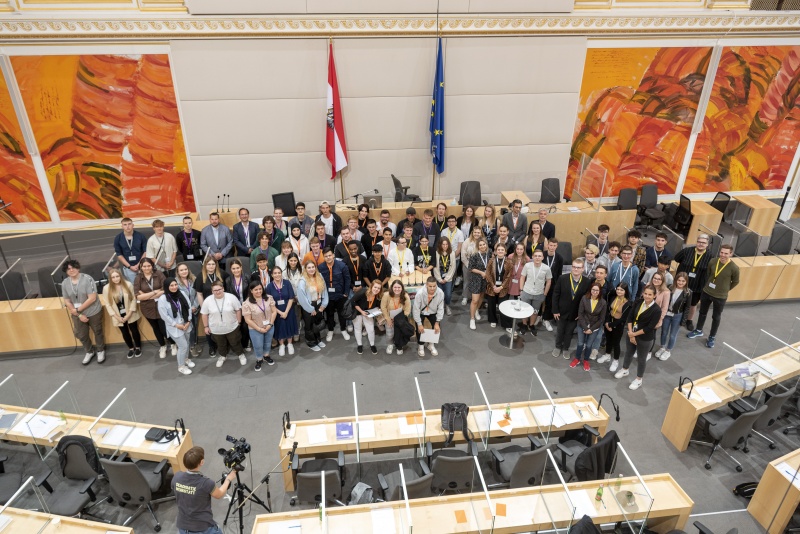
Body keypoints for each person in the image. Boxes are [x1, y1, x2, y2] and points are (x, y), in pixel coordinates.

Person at [173, 446, 237, 534]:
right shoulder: (206, 483)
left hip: (183, 527)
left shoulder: (177, 476)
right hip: (203, 528)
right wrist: (228, 479)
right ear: (202, 462)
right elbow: (219, 494)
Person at [687, 244, 739, 348]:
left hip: (720, 296)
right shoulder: (713, 261)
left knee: (716, 317)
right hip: (707, 292)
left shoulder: (734, 268)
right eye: (721, 252)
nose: (723, 255)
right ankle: (698, 330)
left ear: (731, 254)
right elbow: (708, 274)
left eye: (726, 253)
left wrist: (725, 289)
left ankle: (712, 336)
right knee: (702, 312)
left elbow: (735, 281)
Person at [615, 285, 661, 390]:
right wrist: (630, 332)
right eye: (645, 293)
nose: (647, 296)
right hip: (631, 333)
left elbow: (649, 328)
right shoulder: (638, 302)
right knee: (629, 353)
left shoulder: (657, 310)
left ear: (654, 296)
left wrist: (633, 335)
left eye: (650, 294)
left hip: (645, 338)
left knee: (641, 359)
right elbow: (630, 317)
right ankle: (625, 369)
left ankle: (639, 379)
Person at [61, 260, 106, 365]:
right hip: (77, 313)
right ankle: (89, 351)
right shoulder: (65, 283)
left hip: (93, 311)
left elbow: (92, 298)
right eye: (68, 269)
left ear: (78, 268)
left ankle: (100, 350)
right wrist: (78, 314)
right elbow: (67, 300)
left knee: (97, 331)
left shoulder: (87, 279)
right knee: (81, 334)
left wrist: (78, 310)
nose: (71, 270)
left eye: (73, 267)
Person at [551, 258, 592, 359]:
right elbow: (555, 295)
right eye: (574, 267)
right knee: (560, 330)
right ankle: (557, 347)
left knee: (569, 332)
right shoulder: (562, 278)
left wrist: (581, 313)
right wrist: (555, 310)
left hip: (576, 313)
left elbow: (586, 300)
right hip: (561, 311)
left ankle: (566, 348)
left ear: (582, 269)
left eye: (578, 267)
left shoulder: (587, 282)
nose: (576, 269)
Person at [135, 258, 174, 359]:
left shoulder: (159, 274)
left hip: (162, 306)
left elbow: (166, 288)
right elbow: (138, 296)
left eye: (149, 266)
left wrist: (146, 295)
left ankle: (173, 344)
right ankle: (162, 346)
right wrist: (155, 292)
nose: (146, 268)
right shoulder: (138, 278)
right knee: (155, 328)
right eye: (144, 266)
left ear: (152, 265)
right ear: (141, 267)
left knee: (164, 327)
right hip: (147, 308)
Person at [200, 280, 245, 368]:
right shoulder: (208, 300)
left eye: (219, 289)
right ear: (212, 291)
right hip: (216, 329)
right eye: (215, 290)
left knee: (235, 342)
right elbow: (204, 314)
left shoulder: (231, 297)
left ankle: (240, 354)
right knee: (220, 344)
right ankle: (223, 356)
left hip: (232, 327)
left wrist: (239, 322)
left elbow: (238, 310)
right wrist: (206, 326)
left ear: (223, 288)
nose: (217, 292)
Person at [673, 233, 713, 331]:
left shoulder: (710, 256)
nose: (701, 244)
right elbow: (676, 258)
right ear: (696, 242)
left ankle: (689, 320)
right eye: (699, 242)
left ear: (707, 244)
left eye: (703, 243)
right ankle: (673, 316)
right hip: (681, 283)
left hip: (697, 285)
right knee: (676, 300)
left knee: (693, 304)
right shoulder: (686, 251)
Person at [157, 278, 196, 376]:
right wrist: (176, 325)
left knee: (187, 343)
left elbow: (188, 307)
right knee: (183, 346)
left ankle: (186, 359)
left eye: (175, 285)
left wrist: (189, 321)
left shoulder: (181, 293)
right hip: (174, 327)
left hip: (186, 324)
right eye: (171, 285)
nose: (174, 287)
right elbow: (164, 316)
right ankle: (181, 366)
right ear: (167, 287)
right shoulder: (162, 299)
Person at [194, 256, 229, 357]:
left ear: (216, 265)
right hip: (209, 307)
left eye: (213, 264)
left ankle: (224, 344)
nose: (211, 266)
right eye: (209, 264)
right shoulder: (200, 276)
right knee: (209, 327)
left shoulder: (222, 273)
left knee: (223, 324)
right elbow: (199, 294)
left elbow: (228, 288)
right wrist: (203, 308)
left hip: (222, 305)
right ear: (205, 265)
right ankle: (211, 346)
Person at [103, 268, 141, 359]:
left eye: (117, 276)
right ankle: (131, 348)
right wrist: (116, 317)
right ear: (110, 278)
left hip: (130, 313)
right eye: (113, 277)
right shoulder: (106, 288)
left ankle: (138, 347)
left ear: (120, 276)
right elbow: (107, 304)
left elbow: (133, 300)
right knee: (125, 332)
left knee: (134, 330)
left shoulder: (128, 284)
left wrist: (129, 314)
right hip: (117, 315)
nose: (116, 279)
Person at [571, 283, 607, 371]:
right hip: (582, 325)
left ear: (600, 291)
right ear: (590, 290)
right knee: (580, 343)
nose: (595, 292)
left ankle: (586, 360)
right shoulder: (584, 298)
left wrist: (591, 329)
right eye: (593, 290)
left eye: (597, 290)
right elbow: (580, 314)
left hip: (594, 327)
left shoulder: (603, 302)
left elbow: (601, 319)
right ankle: (577, 358)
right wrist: (585, 328)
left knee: (589, 345)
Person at [242, 280, 277, 371]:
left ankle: (266, 356)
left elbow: (274, 312)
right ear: (251, 291)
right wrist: (259, 329)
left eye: (260, 289)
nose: (258, 291)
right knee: (258, 345)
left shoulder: (269, 298)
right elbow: (247, 320)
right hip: (255, 329)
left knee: (268, 343)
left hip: (269, 326)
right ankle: (259, 359)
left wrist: (270, 324)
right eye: (256, 290)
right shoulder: (246, 303)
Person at [597, 282, 632, 373]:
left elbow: (623, 319)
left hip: (618, 325)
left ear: (625, 291)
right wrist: (607, 322)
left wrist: (611, 325)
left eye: (621, 290)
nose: (619, 291)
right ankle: (607, 355)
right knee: (608, 340)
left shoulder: (628, 303)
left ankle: (616, 360)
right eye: (618, 289)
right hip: (609, 321)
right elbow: (608, 310)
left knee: (616, 343)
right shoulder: (613, 297)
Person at [656, 272, 691, 362]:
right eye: (679, 280)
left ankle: (668, 350)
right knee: (664, 332)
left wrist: (683, 321)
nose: (680, 282)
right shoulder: (670, 288)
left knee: (672, 335)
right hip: (667, 314)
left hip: (677, 316)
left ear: (686, 282)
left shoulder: (688, 292)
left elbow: (687, 308)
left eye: (683, 281)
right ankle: (662, 347)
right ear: (675, 280)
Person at [319, 248, 351, 341]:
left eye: (330, 255)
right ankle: (330, 330)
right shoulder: (320, 267)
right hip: (327, 295)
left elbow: (347, 279)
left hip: (340, 295)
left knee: (342, 313)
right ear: (323, 257)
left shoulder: (342, 266)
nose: (328, 257)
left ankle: (343, 329)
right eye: (326, 256)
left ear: (333, 255)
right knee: (329, 314)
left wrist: (346, 293)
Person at [266, 266, 299, 355]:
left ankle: (290, 343)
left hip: (288, 309)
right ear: (272, 275)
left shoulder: (287, 283)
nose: (277, 275)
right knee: (280, 327)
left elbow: (291, 298)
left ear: (281, 274)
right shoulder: (269, 286)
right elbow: (270, 302)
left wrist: (286, 312)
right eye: (275, 273)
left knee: (289, 326)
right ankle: (282, 345)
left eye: (279, 273)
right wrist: (280, 312)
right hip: (276, 311)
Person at [296, 260, 328, 351]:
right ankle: (311, 343)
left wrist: (324, 304)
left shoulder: (319, 276)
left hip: (319, 304)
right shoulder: (302, 280)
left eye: (313, 267)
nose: (311, 269)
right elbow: (302, 297)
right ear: (305, 269)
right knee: (309, 325)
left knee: (317, 323)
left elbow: (324, 291)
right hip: (308, 306)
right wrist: (310, 309)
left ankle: (318, 340)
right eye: (309, 268)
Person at [519, 249, 552, 336]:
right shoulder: (527, 265)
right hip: (526, 292)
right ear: (532, 257)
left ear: (543, 257)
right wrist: (521, 290)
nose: (537, 258)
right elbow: (522, 277)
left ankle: (531, 325)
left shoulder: (546, 268)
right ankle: (524, 324)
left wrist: (545, 293)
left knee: (535, 311)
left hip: (539, 294)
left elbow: (549, 281)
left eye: (539, 256)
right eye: (536, 256)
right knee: (524, 310)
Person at [224, 259, 251, 352]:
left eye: (238, 268)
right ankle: (238, 345)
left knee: (246, 326)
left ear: (241, 267)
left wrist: (246, 303)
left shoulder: (247, 277)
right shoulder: (228, 280)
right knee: (237, 327)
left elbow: (251, 292)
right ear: (231, 269)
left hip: (246, 305)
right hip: (235, 308)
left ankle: (246, 343)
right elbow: (228, 295)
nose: (236, 270)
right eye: (233, 268)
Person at [413, 277, 444, 358]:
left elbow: (441, 308)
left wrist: (437, 322)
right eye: (430, 286)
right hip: (421, 312)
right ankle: (421, 345)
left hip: (433, 312)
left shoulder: (440, 293)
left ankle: (431, 344)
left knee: (436, 327)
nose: (432, 288)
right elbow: (416, 310)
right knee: (419, 328)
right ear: (426, 285)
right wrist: (419, 324)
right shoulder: (419, 294)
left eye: (434, 286)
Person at [176, 262, 201, 356]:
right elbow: (177, 298)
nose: (184, 271)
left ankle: (194, 343)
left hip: (194, 309)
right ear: (178, 272)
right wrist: (188, 309)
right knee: (189, 329)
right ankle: (191, 347)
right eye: (181, 270)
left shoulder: (194, 279)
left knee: (195, 327)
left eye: (185, 269)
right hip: (184, 311)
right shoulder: (175, 283)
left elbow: (198, 294)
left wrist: (195, 306)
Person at [382, 279, 413, 355]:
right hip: (389, 317)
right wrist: (388, 319)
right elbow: (383, 307)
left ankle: (399, 346)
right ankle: (390, 344)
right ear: (392, 287)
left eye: (399, 287)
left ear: (402, 288)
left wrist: (401, 319)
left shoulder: (405, 295)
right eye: (395, 287)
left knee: (399, 334)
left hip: (400, 319)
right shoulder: (386, 295)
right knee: (390, 335)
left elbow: (408, 308)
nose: (397, 289)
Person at [484, 242, 511, 329]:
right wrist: (493, 286)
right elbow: (488, 274)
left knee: (503, 305)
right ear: (495, 251)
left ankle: (505, 323)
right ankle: (493, 320)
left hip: (503, 288)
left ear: (505, 252)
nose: (500, 251)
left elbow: (509, 276)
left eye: (502, 250)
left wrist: (501, 287)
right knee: (491, 304)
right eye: (498, 250)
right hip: (492, 286)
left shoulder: (509, 262)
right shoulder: (491, 261)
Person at [353, 279, 383, 355]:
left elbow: (377, 305)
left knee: (371, 330)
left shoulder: (378, 296)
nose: (376, 289)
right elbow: (353, 301)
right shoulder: (363, 292)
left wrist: (378, 309)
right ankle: (359, 345)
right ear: (371, 286)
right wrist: (361, 311)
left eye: (378, 288)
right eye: (375, 287)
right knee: (358, 329)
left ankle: (372, 345)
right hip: (357, 311)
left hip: (368, 313)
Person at [540, 237, 564, 332]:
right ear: (547, 245)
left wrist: (557, 285)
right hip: (540, 281)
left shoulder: (559, 258)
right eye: (551, 245)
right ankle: (538, 316)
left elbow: (559, 273)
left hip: (552, 283)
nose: (552, 247)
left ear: (557, 246)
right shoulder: (542, 255)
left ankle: (546, 319)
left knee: (549, 301)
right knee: (539, 299)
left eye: (554, 245)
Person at [114, 217, 147, 283]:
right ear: (122, 226)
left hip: (142, 266)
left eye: (129, 224)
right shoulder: (118, 238)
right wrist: (129, 267)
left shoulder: (140, 236)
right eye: (125, 225)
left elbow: (145, 252)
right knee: (133, 287)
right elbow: (119, 255)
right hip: (128, 269)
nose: (127, 226)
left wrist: (139, 264)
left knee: (145, 285)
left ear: (133, 225)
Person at [468, 238, 491, 330]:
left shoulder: (489, 254)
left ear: (486, 245)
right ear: (478, 246)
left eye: (484, 244)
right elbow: (470, 268)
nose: (482, 246)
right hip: (476, 279)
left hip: (485, 279)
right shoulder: (474, 255)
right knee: (474, 300)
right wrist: (481, 272)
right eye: (480, 245)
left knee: (481, 296)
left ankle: (476, 310)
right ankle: (472, 319)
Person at [433, 236, 457, 316]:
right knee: (439, 293)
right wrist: (439, 279)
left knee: (448, 294)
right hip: (439, 275)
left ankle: (447, 305)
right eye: (443, 244)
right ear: (440, 245)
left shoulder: (452, 253)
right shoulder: (437, 253)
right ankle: (440, 307)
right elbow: (435, 267)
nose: (445, 246)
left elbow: (453, 267)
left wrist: (446, 279)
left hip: (448, 276)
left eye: (446, 244)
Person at [460, 226, 483, 306]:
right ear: (472, 233)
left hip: (479, 267)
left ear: (481, 233)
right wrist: (469, 266)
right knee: (466, 282)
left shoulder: (483, 242)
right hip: (467, 265)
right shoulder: (467, 241)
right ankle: (465, 297)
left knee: (478, 283)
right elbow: (463, 255)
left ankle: (476, 298)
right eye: (475, 232)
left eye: (478, 232)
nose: (476, 234)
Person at [507, 242, 529, 307]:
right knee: (507, 298)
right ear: (515, 249)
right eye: (518, 249)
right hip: (510, 280)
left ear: (524, 250)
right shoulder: (510, 256)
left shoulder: (527, 259)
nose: (519, 251)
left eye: (521, 249)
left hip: (520, 281)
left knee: (517, 299)